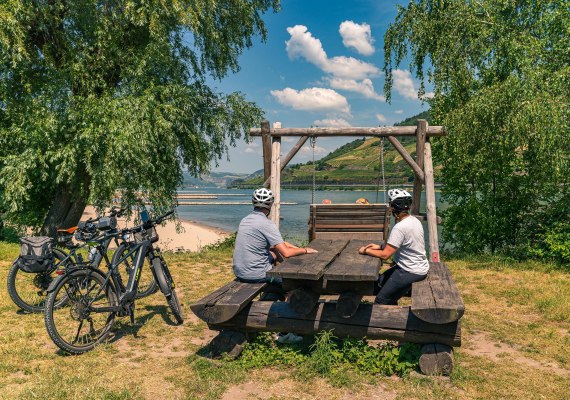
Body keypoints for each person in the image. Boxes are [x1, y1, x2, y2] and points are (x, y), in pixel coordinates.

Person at [233, 188, 318, 343]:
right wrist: (305, 250)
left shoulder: (246, 220)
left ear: (253, 203)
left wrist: (296, 248)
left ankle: (272, 295)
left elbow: (279, 245)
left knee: (275, 253)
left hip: (241, 271)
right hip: (257, 274)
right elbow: (286, 252)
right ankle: (285, 333)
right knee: (293, 286)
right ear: (271, 204)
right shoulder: (266, 224)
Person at [358, 188, 429, 305]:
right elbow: (401, 242)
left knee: (381, 301)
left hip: (409, 270)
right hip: (418, 267)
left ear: (393, 207)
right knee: (379, 282)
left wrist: (365, 250)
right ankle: (391, 301)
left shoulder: (400, 227)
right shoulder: (414, 220)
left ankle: (389, 319)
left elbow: (385, 255)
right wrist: (380, 246)